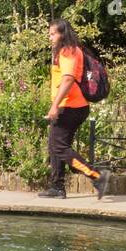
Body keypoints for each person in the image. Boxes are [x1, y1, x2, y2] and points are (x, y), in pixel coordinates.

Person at [39, 19, 108, 199]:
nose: (50, 37)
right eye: (50, 34)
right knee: (56, 146)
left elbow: (68, 79)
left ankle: (96, 176)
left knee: (58, 146)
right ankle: (57, 187)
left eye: (53, 33)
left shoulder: (68, 51)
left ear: (63, 34)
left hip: (69, 107)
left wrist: (55, 106)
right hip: (72, 106)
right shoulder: (71, 50)